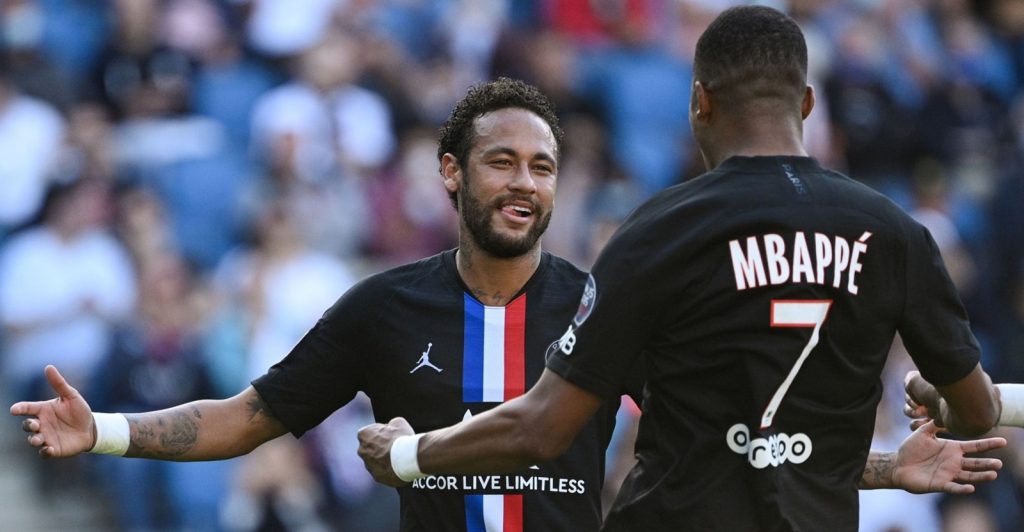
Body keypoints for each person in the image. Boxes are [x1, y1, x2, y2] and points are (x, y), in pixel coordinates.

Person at [10, 78, 1004, 531]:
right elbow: (247, 417)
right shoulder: (380, 307)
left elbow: (731, 441)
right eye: (502, 161)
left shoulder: (607, 303)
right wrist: (105, 430)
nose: (525, 183)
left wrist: (889, 467)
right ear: (451, 173)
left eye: (542, 165)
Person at [355, 7, 1006, 532]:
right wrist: (937, 401)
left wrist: (409, 455)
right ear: (807, 103)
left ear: (699, 102)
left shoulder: (658, 232)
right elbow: (975, 413)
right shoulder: (894, 234)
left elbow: (544, 426)